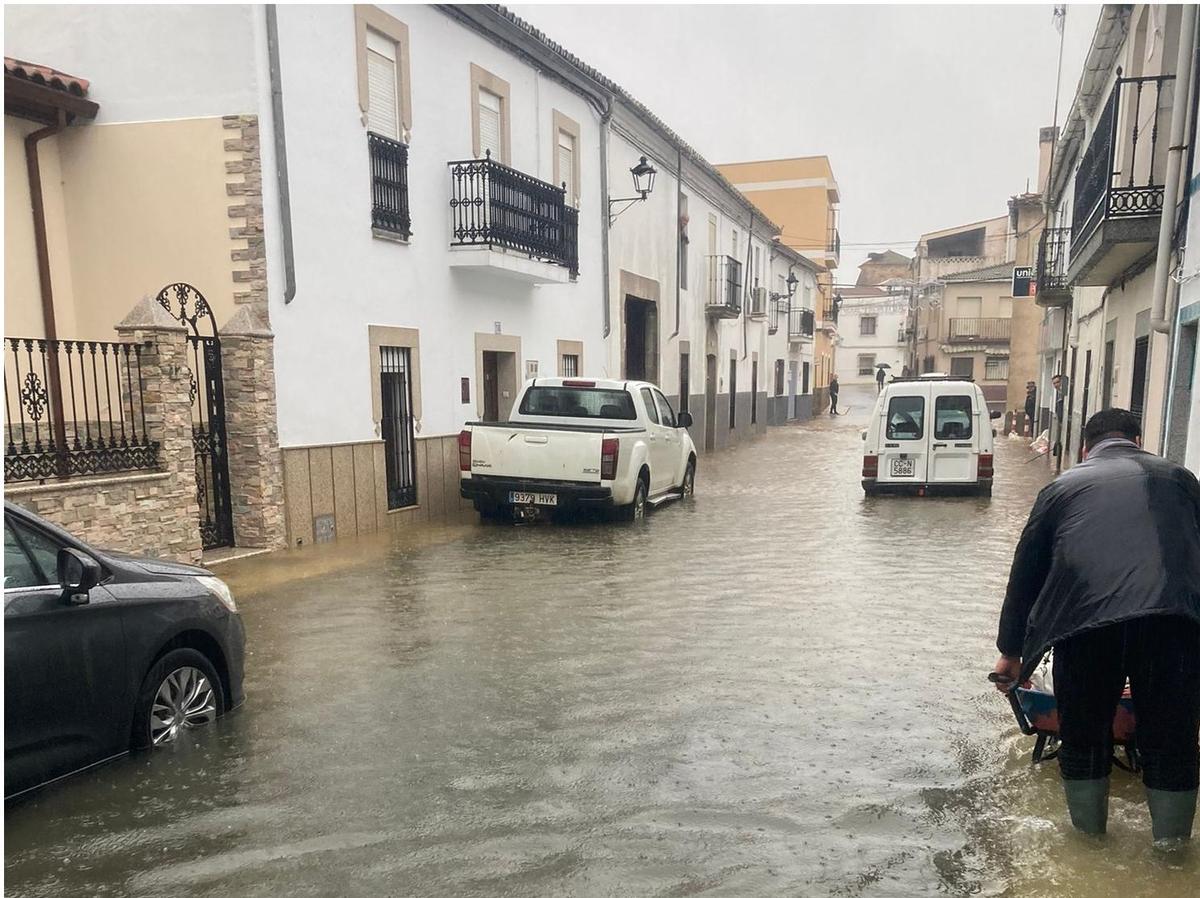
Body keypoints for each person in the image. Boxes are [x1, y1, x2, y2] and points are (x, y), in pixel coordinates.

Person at [993, 408, 1200, 841]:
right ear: (1138, 441)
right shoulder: (1181, 480)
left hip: (1086, 626)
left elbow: (1025, 573)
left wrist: (1011, 653)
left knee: (1084, 740)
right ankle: (1171, 854)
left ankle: (1089, 848)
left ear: (1085, 447)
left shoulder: (1061, 488)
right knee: (1172, 744)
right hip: (1172, 624)